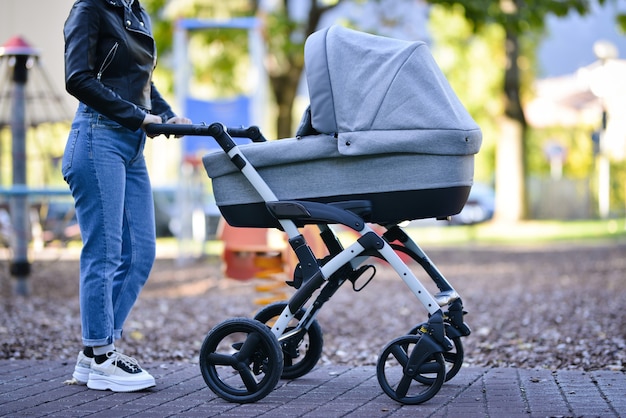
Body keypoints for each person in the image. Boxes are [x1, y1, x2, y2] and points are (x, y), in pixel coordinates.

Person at [62, 0, 190, 392]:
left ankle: (94, 353)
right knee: (104, 252)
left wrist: (166, 114)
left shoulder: (135, 11)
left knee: (140, 253)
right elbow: (78, 78)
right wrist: (138, 117)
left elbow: (140, 80)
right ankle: (102, 355)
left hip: (131, 145)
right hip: (98, 136)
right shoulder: (90, 8)